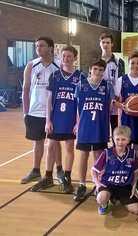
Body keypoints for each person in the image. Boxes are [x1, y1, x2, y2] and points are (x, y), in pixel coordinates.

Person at [31, 46, 84, 193]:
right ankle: (48, 176)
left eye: (69, 56)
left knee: (69, 147)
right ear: (61, 57)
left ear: (75, 58)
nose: (66, 58)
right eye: (64, 56)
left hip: (71, 119)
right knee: (50, 145)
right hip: (56, 118)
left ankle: (66, 178)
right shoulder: (55, 76)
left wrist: (78, 123)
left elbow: (81, 102)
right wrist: (48, 120)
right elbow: (49, 99)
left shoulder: (80, 77)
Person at [22, 36, 63, 184]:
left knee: (54, 142)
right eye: (36, 46)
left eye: (41, 46)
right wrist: (25, 112)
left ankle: (58, 171)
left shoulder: (59, 66)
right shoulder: (31, 65)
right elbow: (25, 89)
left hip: (53, 112)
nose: (38, 48)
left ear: (50, 48)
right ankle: (35, 170)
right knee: (37, 142)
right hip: (34, 111)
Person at [73, 59, 114, 201]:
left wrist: (108, 129)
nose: (98, 72)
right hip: (84, 127)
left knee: (98, 157)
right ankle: (82, 184)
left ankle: (98, 184)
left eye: (101, 70)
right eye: (95, 69)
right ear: (90, 69)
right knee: (83, 156)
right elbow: (77, 109)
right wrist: (76, 124)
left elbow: (109, 110)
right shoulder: (81, 85)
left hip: (100, 127)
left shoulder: (107, 87)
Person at [92, 126, 138, 215]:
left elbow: (137, 172)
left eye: (123, 139)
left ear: (128, 140)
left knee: (137, 210)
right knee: (101, 198)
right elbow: (94, 170)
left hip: (125, 187)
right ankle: (104, 204)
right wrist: (98, 185)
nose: (120, 142)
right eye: (117, 139)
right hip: (108, 185)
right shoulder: (107, 153)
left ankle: (118, 199)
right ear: (113, 139)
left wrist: (134, 186)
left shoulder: (133, 154)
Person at [99, 33, 125, 135]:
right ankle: (104, 151)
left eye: (108, 42)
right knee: (102, 132)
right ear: (100, 44)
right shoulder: (96, 61)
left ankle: (115, 150)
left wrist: (116, 98)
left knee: (115, 130)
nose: (105, 45)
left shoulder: (119, 62)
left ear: (112, 44)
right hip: (100, 100)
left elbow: (121, 81)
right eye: (103, 42)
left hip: (115, 101)